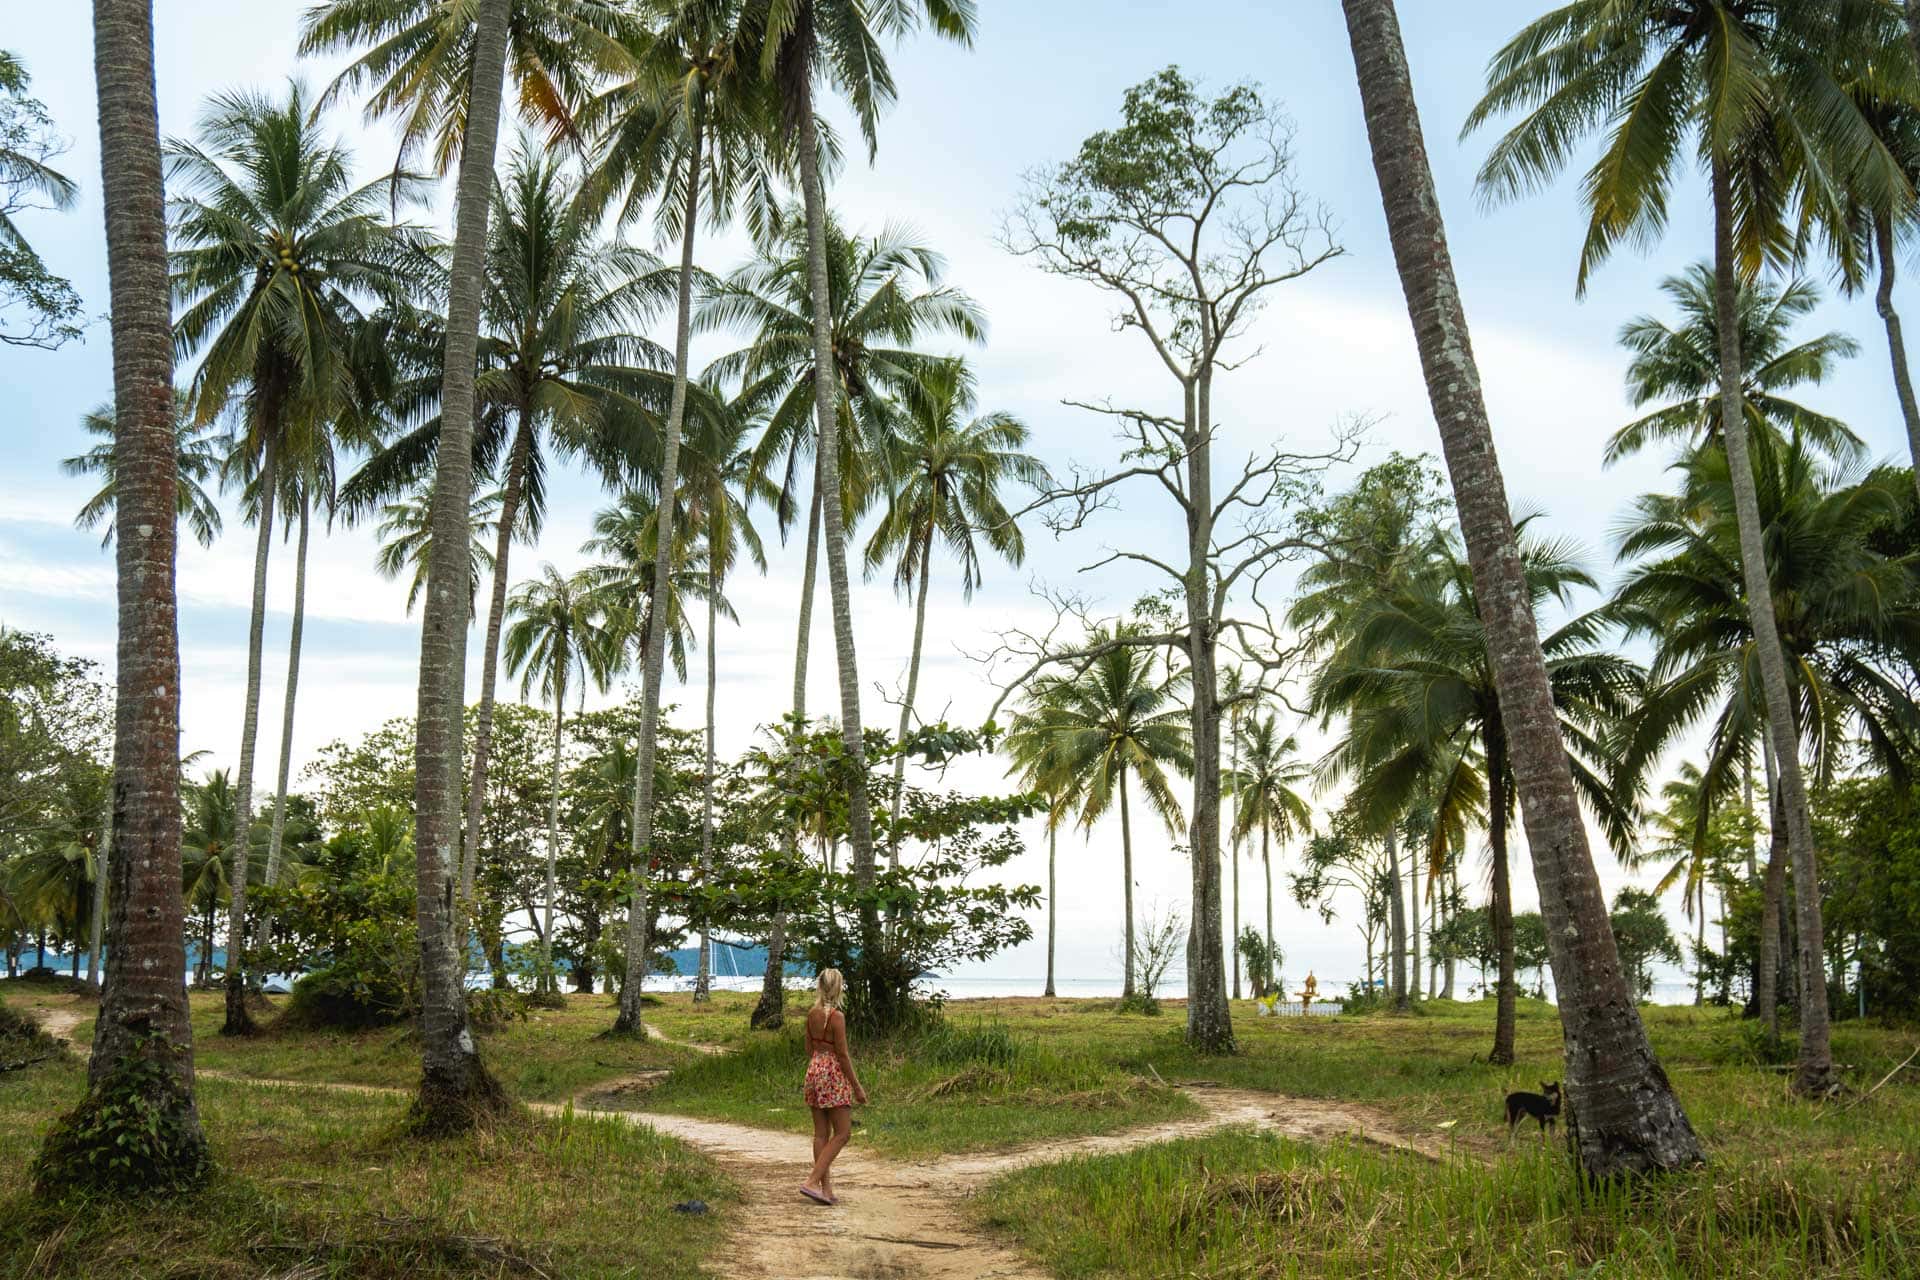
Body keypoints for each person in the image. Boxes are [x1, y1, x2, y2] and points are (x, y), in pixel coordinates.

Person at [800, 967, 866, 1205]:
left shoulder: (811, 1014)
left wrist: (819, 1059)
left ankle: (825, 1190)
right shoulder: (837, 1017)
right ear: (838, 987)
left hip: (814, 1070)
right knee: (843, 1133)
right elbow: (843, 1055)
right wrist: (857, 1087)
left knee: (820, 1134)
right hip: (833, 1074)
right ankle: (811, 1181)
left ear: (820, 986)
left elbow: (809, 1048)